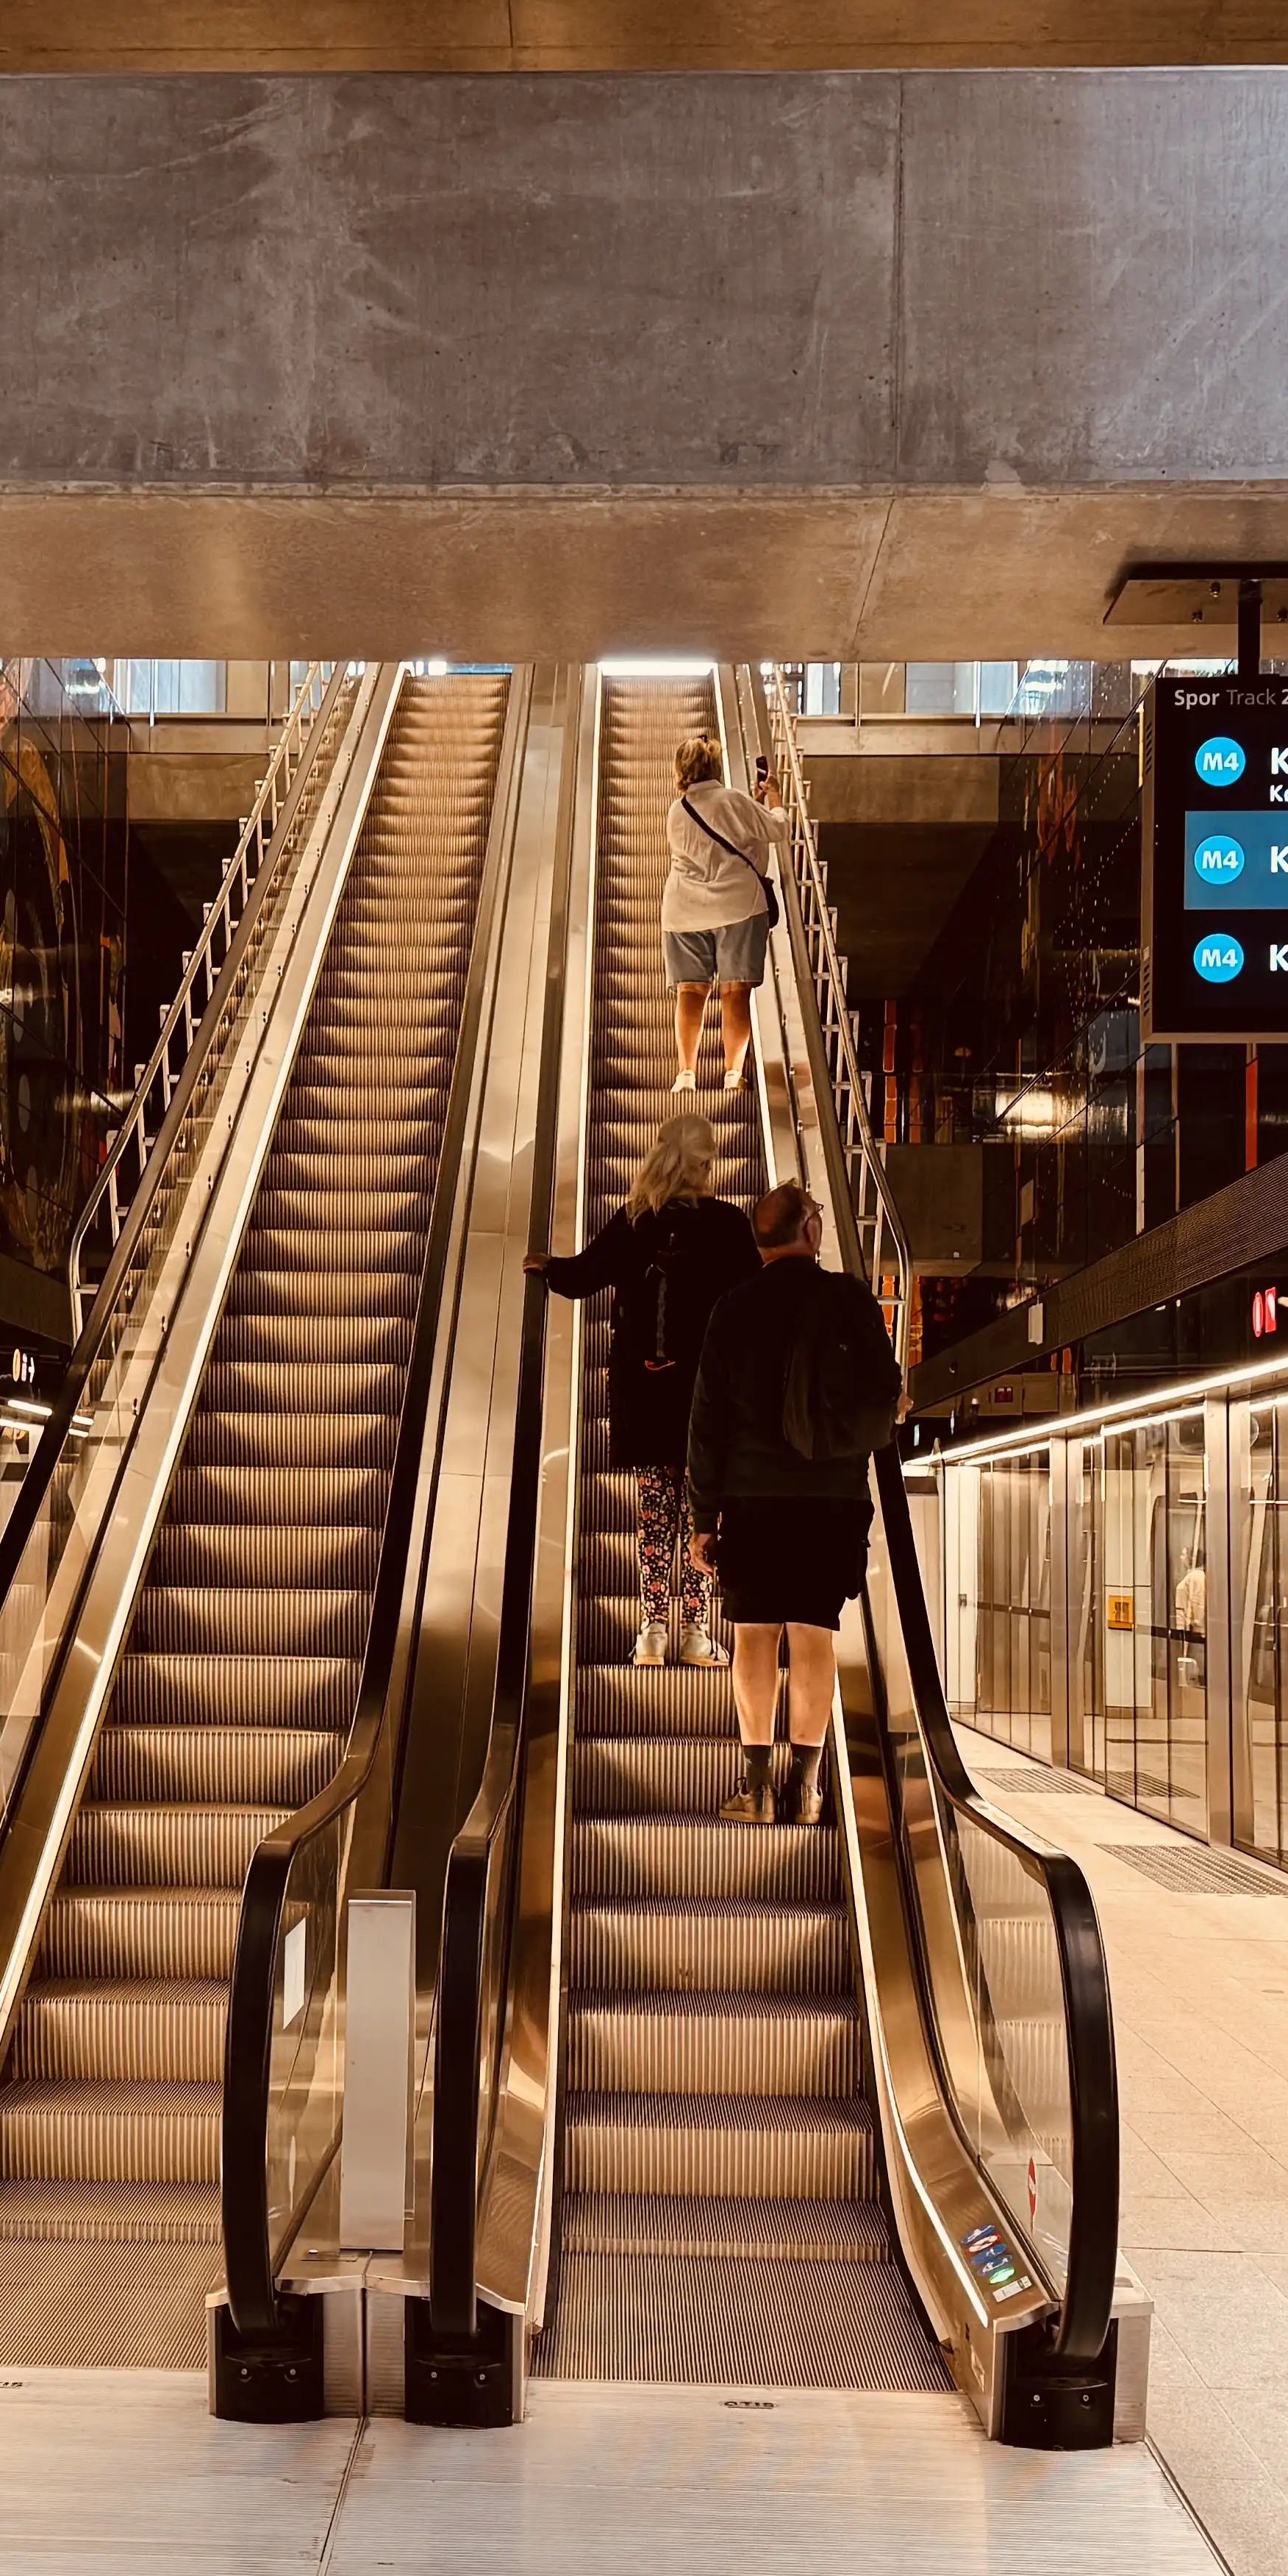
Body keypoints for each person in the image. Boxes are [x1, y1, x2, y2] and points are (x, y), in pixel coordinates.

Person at [686, 1182, 904, 1824]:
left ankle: (755, 1789)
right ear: (809, 1231)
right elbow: (886, 1389)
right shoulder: (848, 1298)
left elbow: (706, 1421)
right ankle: (806, 1791)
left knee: (755, 1637)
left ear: (761, 1239)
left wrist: (703, 1519)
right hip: (830, 1498)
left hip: (753, 1499)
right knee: (815, 1635)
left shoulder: (733, 1307)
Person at [532, 1108, 764, 1668]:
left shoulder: (634, 1220)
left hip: (646, 1395)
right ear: (707, 1162)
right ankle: (698, 1631)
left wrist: (544, 1267)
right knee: (704, 1513)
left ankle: (653, 1630)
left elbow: (582, 1275)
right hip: (709, 1401)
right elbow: (759, 1305)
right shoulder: (731, 1225)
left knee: (656, 1512)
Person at [660, 729, 781, 1095]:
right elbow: (778, 829)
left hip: (684, 909)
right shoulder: (733, 800)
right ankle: (732, 1074)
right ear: (714, 765)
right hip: (738, 907)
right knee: (734, 992)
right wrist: (771, 799)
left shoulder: (677, 811)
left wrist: (750, 806)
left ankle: (686, 1074)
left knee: (691, 992)